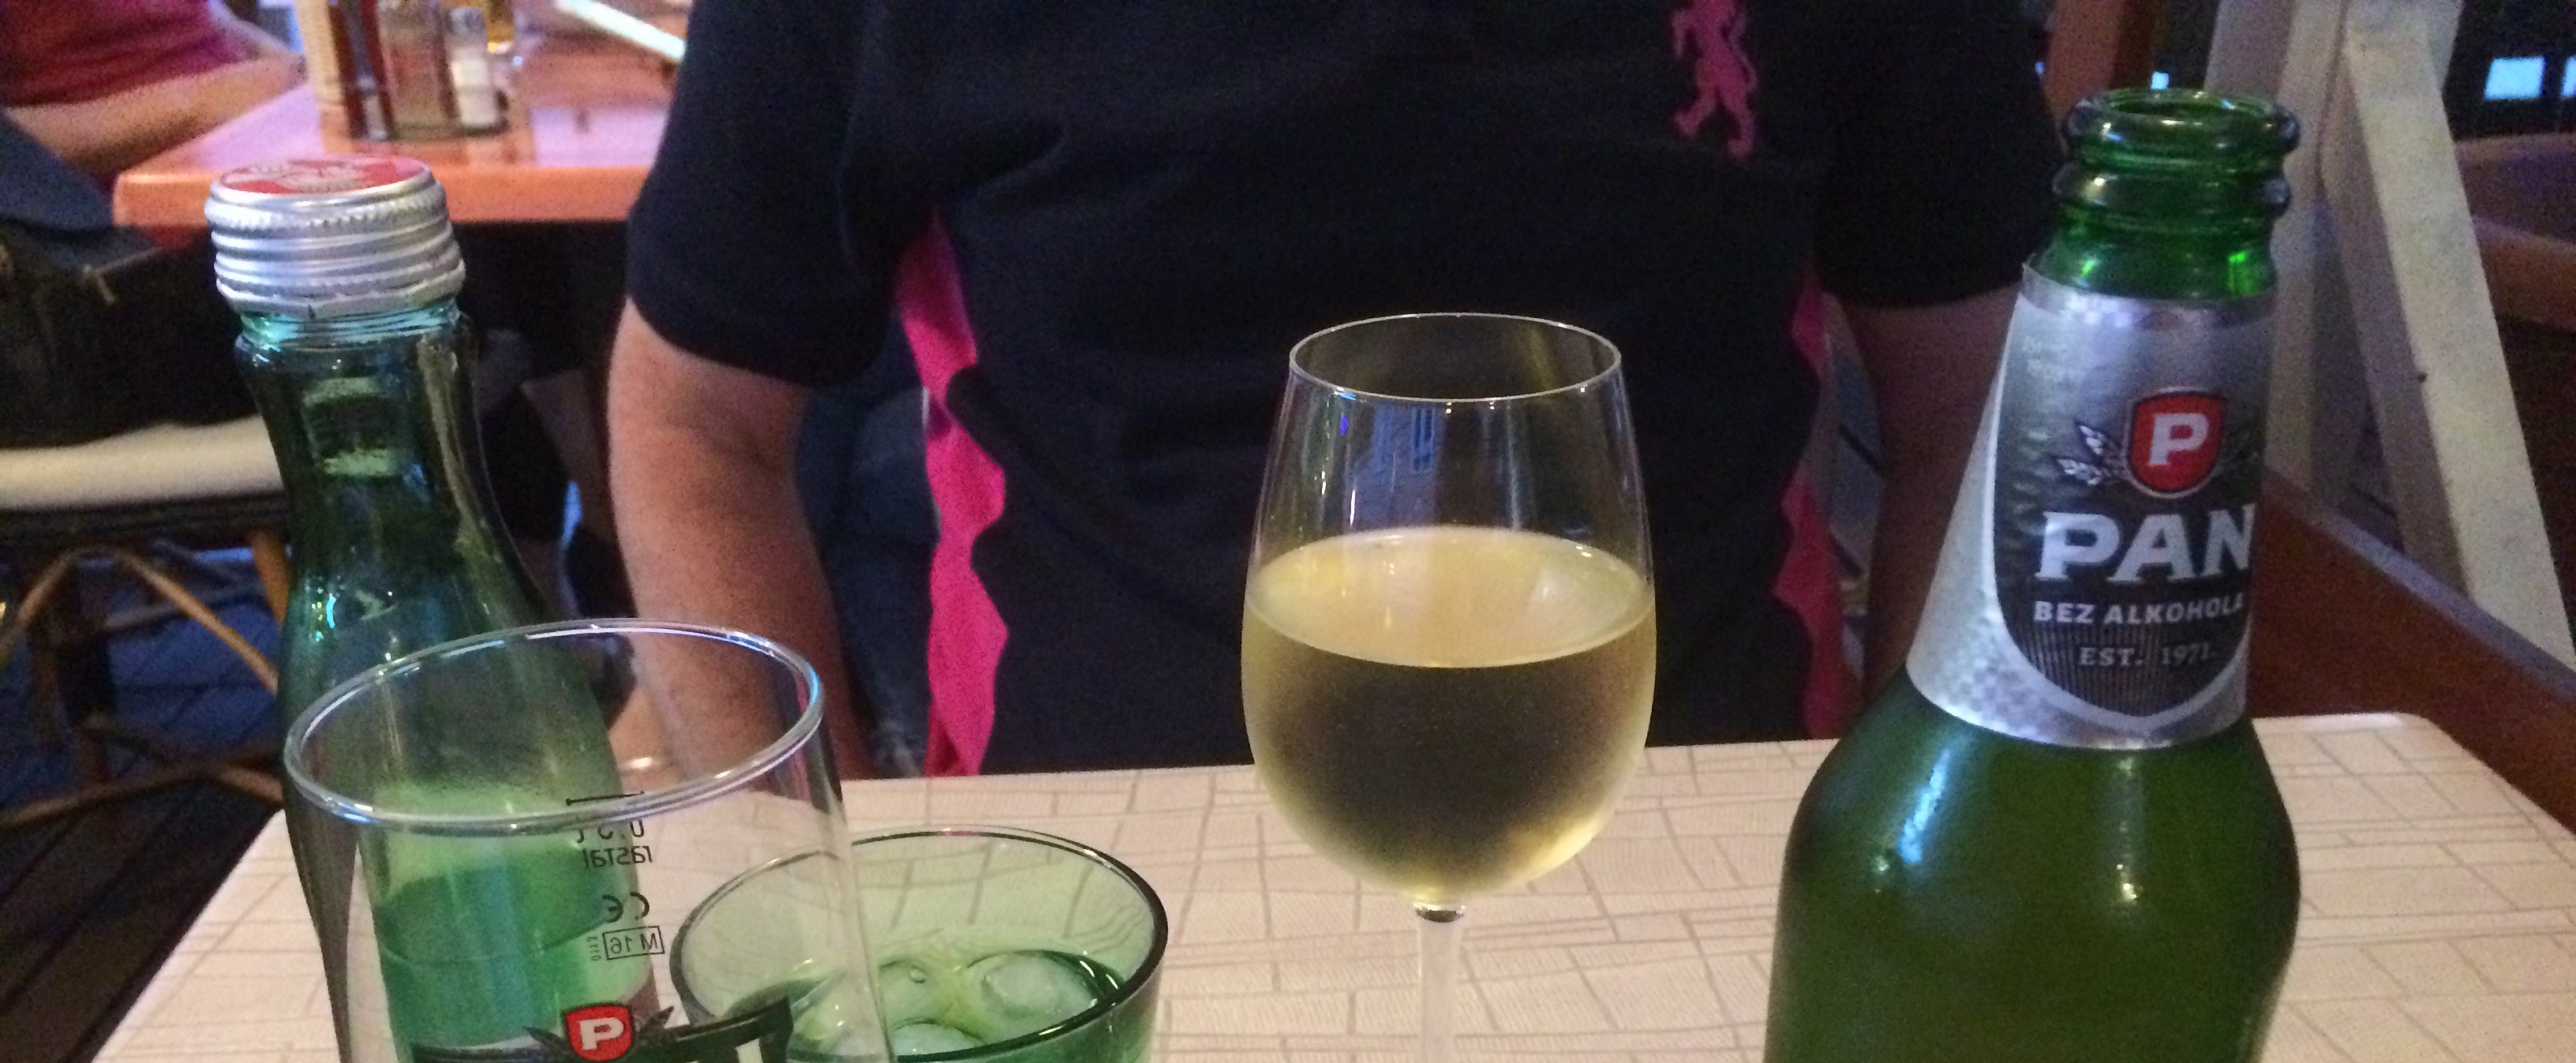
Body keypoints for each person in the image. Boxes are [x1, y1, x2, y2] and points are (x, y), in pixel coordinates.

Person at [612, 0, 2058, 778]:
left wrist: (1922, 829)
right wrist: (796, 888)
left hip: (1708, 830)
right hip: (1090, 872)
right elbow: (696, 425)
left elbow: (1993, 409)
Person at [0, 0, 301, 183]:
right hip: (130, 225)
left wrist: (297, 70)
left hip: (256, 145)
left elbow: (213, 21)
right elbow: (9, 142)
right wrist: (199, 103)